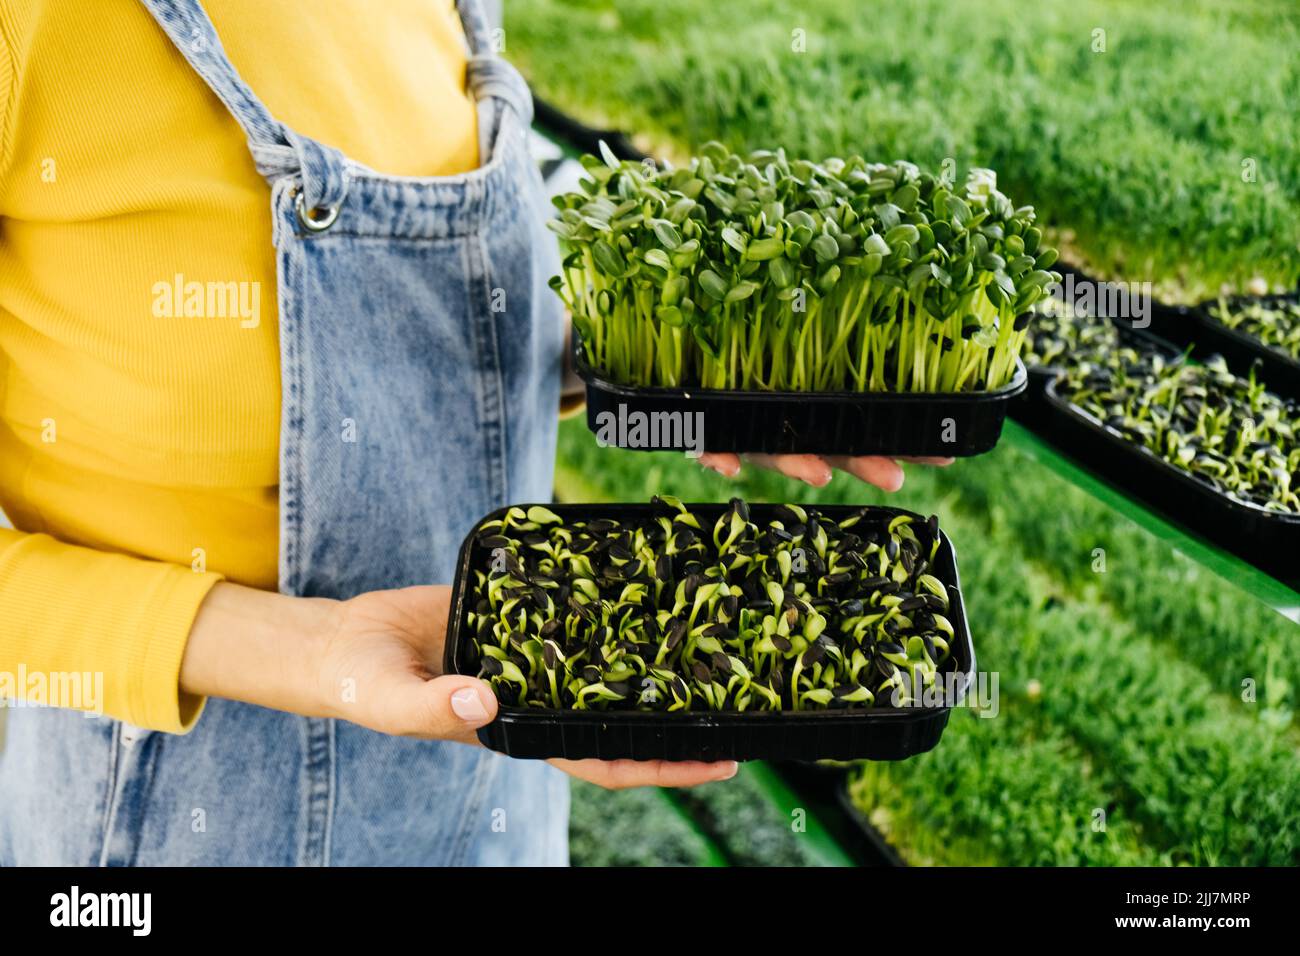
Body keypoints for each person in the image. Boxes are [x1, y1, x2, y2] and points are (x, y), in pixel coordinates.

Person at [0, 0, 933, 866]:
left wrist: (659, 364)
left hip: (497, 766)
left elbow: (444, 328)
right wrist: (314, 653)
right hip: (191, 815)